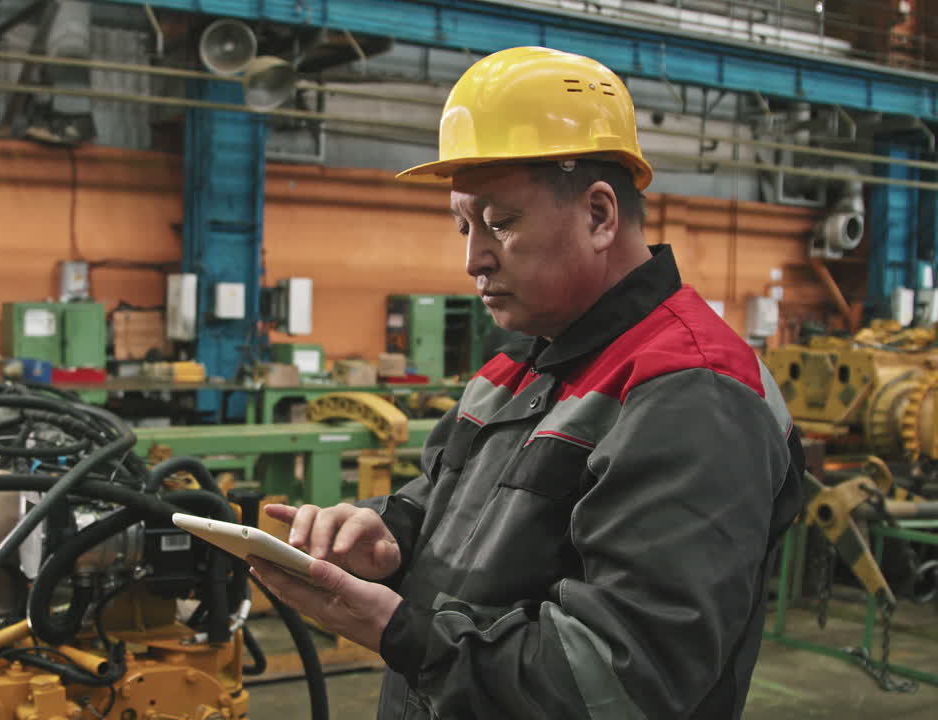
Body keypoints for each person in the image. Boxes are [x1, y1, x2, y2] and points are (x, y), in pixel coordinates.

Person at [247, 47, 804, 719]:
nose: (472, 258)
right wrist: (384, 535)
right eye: (463, 226)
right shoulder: (515, 369)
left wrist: (401, 633)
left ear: (599, 215)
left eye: (499, 223)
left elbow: (621, 679)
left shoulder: (692, 391)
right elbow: (444, 507)